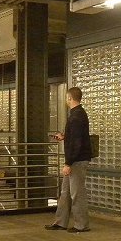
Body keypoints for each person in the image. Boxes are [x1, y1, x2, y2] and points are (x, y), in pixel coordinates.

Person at [45, 87, 92, 233]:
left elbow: (77, 144)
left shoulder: (76, 116)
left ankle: (81, 225)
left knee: (76, 193)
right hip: (74, 159)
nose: (66, 100)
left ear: (70, 98)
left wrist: (68, 163)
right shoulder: (77, 114)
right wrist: (64, 137)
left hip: (76, 161)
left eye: (66, 97)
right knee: (65, 191)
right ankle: (60, 222)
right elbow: (76, 137)